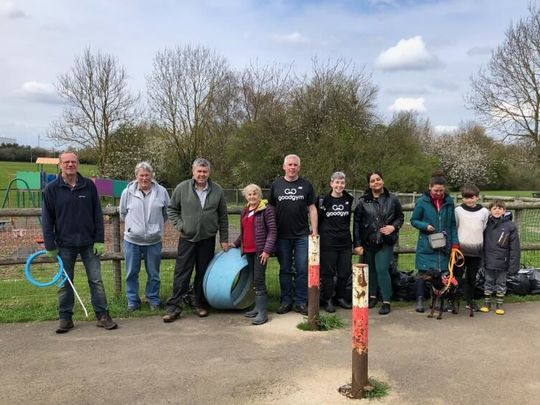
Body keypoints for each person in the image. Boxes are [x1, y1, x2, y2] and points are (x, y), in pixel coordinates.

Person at [42, 151, 117, 333]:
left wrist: (99, 240)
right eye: (66, 162)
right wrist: (50, 245)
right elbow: (47, 219)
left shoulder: (89, 186)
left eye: (73, 162)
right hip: (64, 245)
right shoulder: (51, 189)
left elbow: (97, 215)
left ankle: (102, 315)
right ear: (60, 164)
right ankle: (65, 318)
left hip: (89, 243)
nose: (70, 165)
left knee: (96, 280)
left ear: (78, 164)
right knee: (65, 283)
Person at [163, 158, 229, 322]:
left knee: (203, 272)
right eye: (199, 171)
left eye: (204, 171)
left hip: (207, 238)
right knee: (182, 273)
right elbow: (172, 209)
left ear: (209, 173)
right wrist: (182, 226)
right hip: (187, 237)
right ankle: (174, 307)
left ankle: (198, 302)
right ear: (193, 172)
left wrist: (224, 238)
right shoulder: (182, 188)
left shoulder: (217, 190)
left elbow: (223, 216)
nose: (202, 174)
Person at [269, 154, 318, 316]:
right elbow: (271, 210)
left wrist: (314, 231)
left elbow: (312, 208)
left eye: (295, 165)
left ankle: (300, 302)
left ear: (299, 167)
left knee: (302, 269)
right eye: (289, 165)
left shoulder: (306, 185)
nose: (292, 167)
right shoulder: (276, 185)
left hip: (301, 236)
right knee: (285, 269)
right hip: (282, 235)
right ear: (284, 167)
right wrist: (271, 232)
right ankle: (286, 301)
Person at [119, 162, 170, 311]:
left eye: (147, 175)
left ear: (152, 176)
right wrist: (133, 228)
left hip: (153, 241)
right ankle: (132, 301)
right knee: (131, 273)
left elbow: (166, 213)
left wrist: (156, 227)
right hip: (132, 240)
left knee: (154, 274)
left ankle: (153, 299)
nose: (144, 178)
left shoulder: (161, 191)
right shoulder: (127, 192)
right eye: (141, 175)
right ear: (136, 176)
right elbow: (123, 213)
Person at [353, 171, 404, 315]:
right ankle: (373, 296)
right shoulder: (363, 202)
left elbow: (400, 217)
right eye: (372, 180)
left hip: (385, 241)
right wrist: (357, 244)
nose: (376, 182)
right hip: (368, 240)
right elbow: (356, 223)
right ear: (369, 184)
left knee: (382, 269)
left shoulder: (392, 199)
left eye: (378, 179)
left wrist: (393, 227)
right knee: (372, 270)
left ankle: (386, 301)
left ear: (382, 180)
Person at [410, 171, 459, 313]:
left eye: (441, 191)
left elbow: (452, 225)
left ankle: (437, 299)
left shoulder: (449, 203)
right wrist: (425, 226)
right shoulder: (422, 202)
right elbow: (414, 220)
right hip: (427, 242)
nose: (438, 193)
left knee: (442, 273)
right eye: (436, 190)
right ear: (430, 187)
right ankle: (419, 300)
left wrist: (455, 244)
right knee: (423, 272)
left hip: (443, 244)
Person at [232, 184, 277, 325]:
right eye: (249, 194)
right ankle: (257, 308)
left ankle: (263, 313)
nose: (252, 196)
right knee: (253, 279)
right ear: (246, 196)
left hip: (260, 252)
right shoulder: (245, 210)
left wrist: (266, 250)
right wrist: (235, 244)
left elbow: (272, 231)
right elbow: (245, 231)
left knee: (259, 279)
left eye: (255, 194)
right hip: (248, 251)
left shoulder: (266, 210)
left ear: (259, 195)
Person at [318, 172, 354, 312]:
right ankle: (328, 299)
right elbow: (319, 219)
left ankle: (341, 297)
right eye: (337, 182)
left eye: (342, 183)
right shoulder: (324, 200)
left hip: (344, 241)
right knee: (328, 272)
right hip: (328, 242)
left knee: (344, 271)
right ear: (331, 183)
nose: (339, 185)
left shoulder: (349, 199)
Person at [480, 200, 520, 315]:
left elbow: (514, 248)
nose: (497, 210)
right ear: (490, 210)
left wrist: (513, 266)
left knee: (501, 283)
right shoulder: (485, 224)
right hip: (488, 261)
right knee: (488, 282)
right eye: (494, 208)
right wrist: (482, 261)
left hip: (503, 262)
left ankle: (499, 304)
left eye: (500, 208)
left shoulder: (510, 226)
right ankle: (487, 303)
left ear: (504, 210)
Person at [454, 183, 489, 312]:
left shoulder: (484, 212)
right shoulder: (458, 211)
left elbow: (484, 227)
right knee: (456, 276)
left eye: (472, 197)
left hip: (476, 251)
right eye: (466, 197)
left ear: (477, 197)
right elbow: (456, 226)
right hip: (460, 251)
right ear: (462, 198)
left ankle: (469, 300)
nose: (469, 200)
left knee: (471, 277)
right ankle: (453, 300)